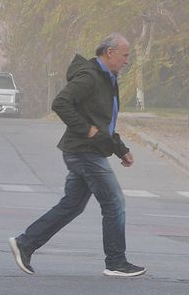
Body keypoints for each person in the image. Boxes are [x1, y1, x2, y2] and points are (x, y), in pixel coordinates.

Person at [8, 33, 146, 278]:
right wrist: (87, 130)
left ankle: (25, 244)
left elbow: (104, 123)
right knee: (114, 203)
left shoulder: (107, 78)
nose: (127, 61)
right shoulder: (90, 76)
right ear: (109, 52)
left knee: (72, 206)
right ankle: (115, 262)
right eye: (125, 55)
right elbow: (61, 103)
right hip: (84, 152)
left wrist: (120, 149)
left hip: (86, 150)